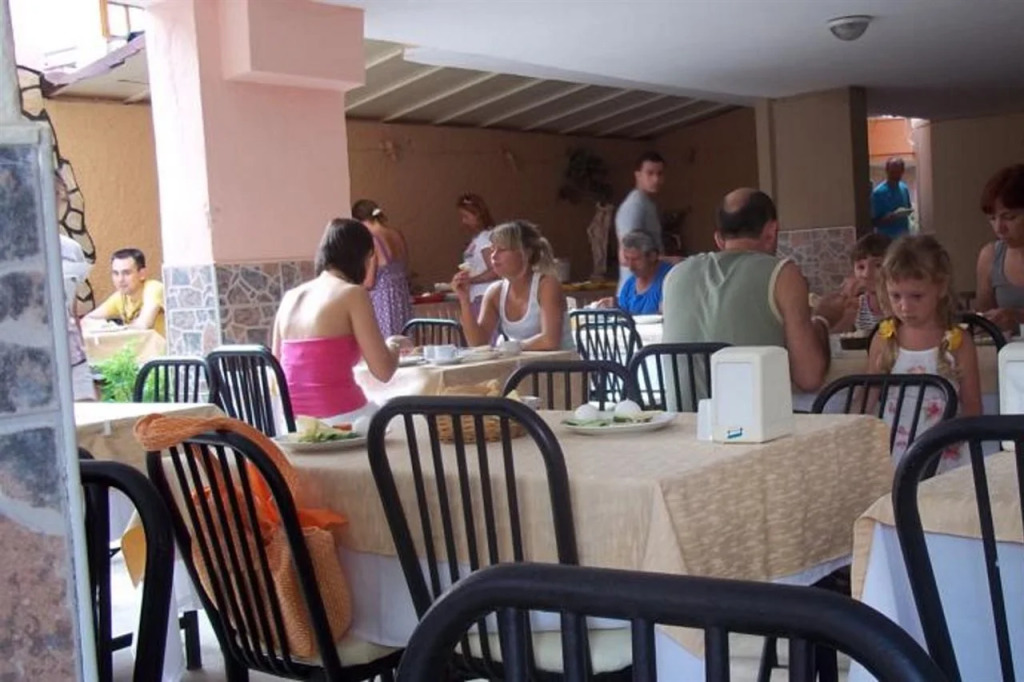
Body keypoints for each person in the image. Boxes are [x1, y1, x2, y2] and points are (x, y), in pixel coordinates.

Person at [662, 188, 832, 393]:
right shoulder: (783, 274)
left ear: (719, 239)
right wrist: (823, 319)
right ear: (771, 231)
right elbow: (809, 377)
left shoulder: (675, 275)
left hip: (681, 414)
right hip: (747, 414)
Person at [271, 219, 410, 421]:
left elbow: (277, 369)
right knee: (411, 422)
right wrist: (395, 344)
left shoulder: (290, 297)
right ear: (364, 258)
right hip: (340, 419)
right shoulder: (352, 294)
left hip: (291, 423)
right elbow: (383, 371)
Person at [868, 235, 981, 471]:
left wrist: (958, 440)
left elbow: (972, 405)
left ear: (941, 287)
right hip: (895, 451)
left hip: (946, 454)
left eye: (916, 296)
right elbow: (868, 397)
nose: (905, 307)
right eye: (896, 296)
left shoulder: (958, 342)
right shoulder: (884, 338)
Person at [452, 220, 573, 351]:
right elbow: (478, 344)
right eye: (492, 249)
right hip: (524, 363)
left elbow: (550, 341)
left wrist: (510, 347)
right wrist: (464, 300)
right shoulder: (495, 292)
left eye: (502, 249)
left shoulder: (547, 285)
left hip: (561, 363)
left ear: (526, 253)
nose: (494, 256)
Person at [974, 164, 1024, 332]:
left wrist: (1019, 318)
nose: (999, 228)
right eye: (992, 219)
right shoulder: (990, 256)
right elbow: (984, 323)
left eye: (1009, 217)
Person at [352, 199, 412, 337]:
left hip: (384, 302)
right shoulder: (396, 234)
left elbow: (369, 282)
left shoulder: (372, 240)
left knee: (388, 341)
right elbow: (405, 267)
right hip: (402, 298)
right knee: (404, 342)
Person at [815, 233, 891, 333]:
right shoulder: (857, 305)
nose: (867, 274)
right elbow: (838, 335)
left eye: (878, 265)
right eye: (861, 267)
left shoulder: (901, 301)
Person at [85, 248, 165, 335]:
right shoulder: (120, 297)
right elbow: (87, 319)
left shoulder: (153, 288)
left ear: (142, 274)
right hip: (139, 343)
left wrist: (113, 328)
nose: (120, 279)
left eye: (127, 273)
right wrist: (103, 326)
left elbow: (144, 325)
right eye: (116, 273)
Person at [615, 152, 665, 290]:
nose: (655, 179)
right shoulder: (635, 205)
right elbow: (626, 255)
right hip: (635, 291)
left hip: (646, 288)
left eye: (659, 174)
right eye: (650, 173)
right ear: (638, 175)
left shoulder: (647, 204)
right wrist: (671, 261)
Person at [595, 230, 672, 314]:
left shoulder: (670, 280)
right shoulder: (630, 285)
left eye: (636, 259)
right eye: (627, 259)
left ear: (652, 256)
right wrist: (614, 305)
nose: (631, 266)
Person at [60, 234, 96, 401]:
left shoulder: (71, 249)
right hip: (24, 360)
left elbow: (72, 310)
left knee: (86, 411)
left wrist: (84, 356)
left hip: (73, 356)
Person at [456, 193, 499, 316]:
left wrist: (471, 280)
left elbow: (494, 270)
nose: (463, 221)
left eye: (466, 216)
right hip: (475, 296)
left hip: (484, 295)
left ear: (478, 215)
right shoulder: (476, 239)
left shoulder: (485, 239)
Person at [871, 157, 914, 239]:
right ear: (887, 171)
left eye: (898, 172)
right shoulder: (878, 193)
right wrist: (890, 217)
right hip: (886, 239)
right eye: (892, 172)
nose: (895, 175)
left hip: (904, 237)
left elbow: (908, 207)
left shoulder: (904, 188)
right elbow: (874, 222)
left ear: (902, 172)